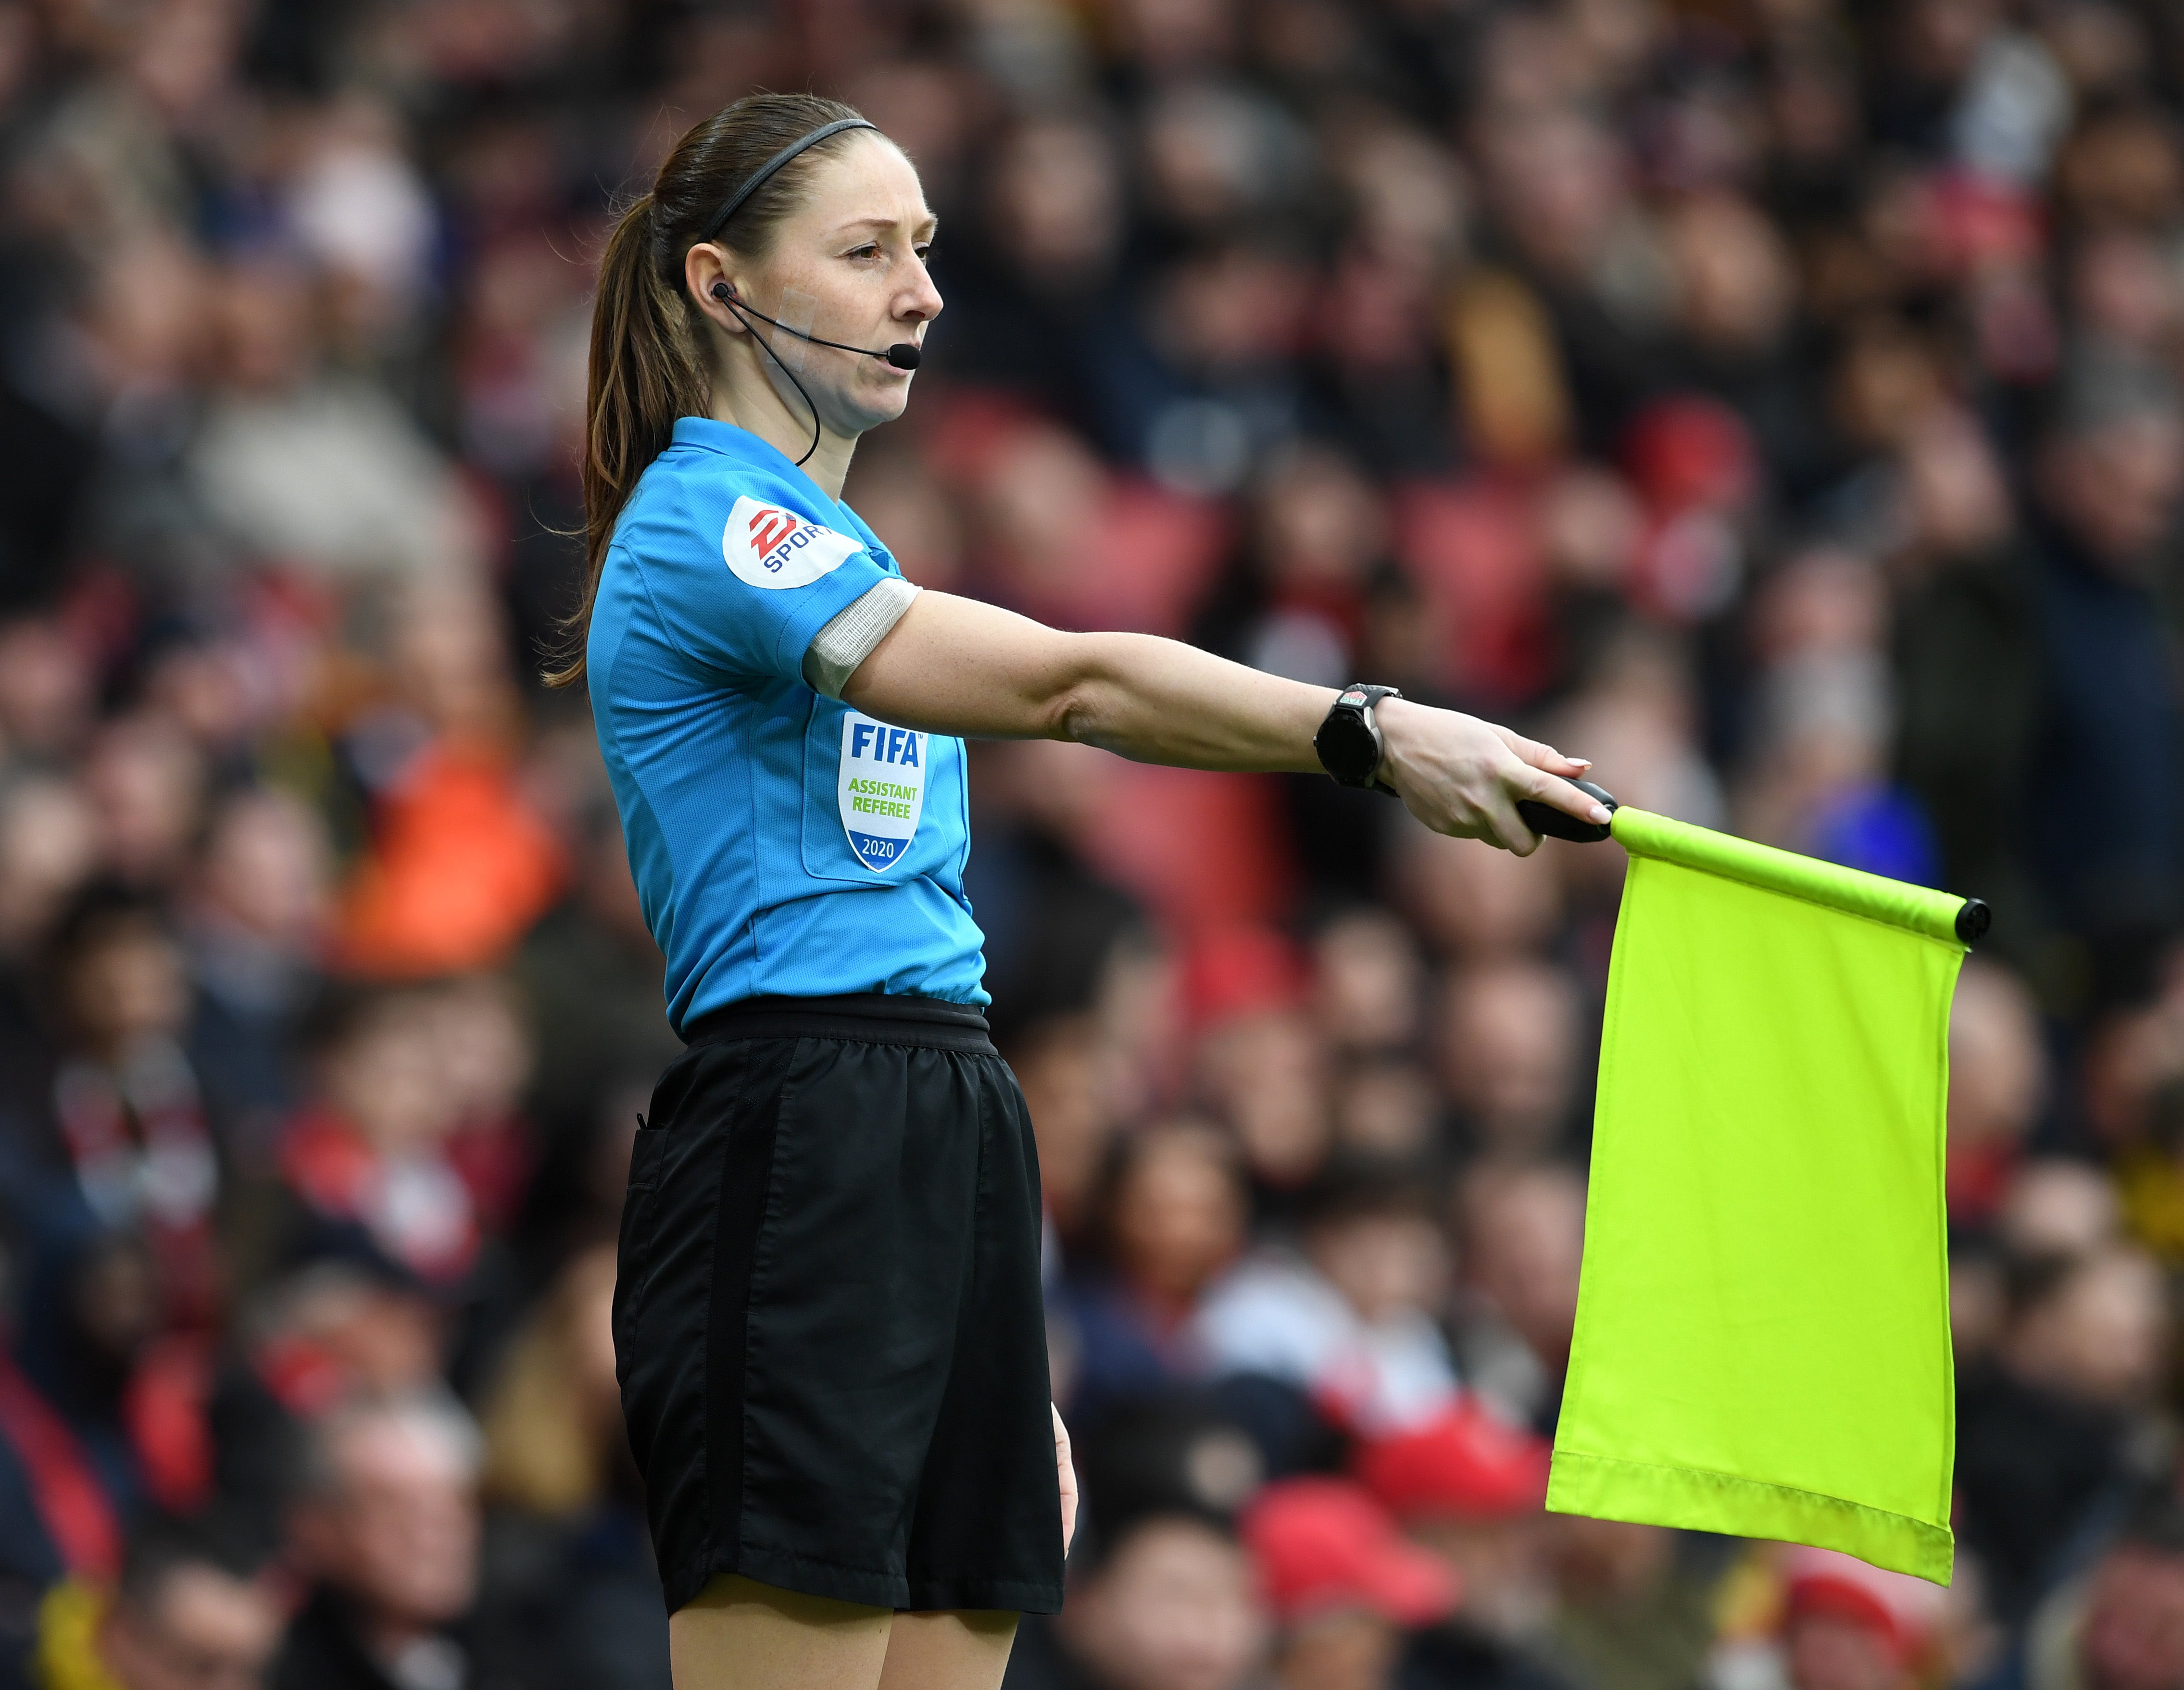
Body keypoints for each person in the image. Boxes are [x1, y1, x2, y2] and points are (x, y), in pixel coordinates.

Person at [556, 90, 1607, 1690]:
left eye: (924, 247)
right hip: (802, 1134)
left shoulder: (834, 541)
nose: (922, 292)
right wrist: (1368, 731)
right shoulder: (711, 522)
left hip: (947, 1128)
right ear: (719, 286)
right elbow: (1072, 689)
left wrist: (990, 1335)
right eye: (865, 252)